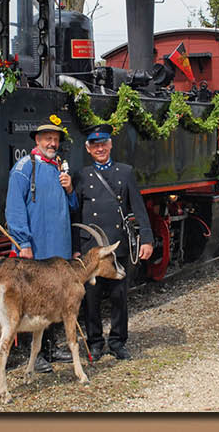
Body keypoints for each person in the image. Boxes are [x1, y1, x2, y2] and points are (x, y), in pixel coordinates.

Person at [5, 116, 78, 373]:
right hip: (35, 248)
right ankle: (33, 355)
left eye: (56, 139)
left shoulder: (59, 168)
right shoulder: (24, 168)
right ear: (37, 140)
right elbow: (14, 209)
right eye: (47, 138)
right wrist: (23, 243)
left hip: (59, 249)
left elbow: (73, 208)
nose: (52, 143)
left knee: (55, 299)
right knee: (33, 302)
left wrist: (70, 191)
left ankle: (51, 348)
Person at [74, 124, 154, 361]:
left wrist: (147, 240)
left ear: (110, 145)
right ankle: (95, 342)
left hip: (117, 245)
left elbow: (139, 208)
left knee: (119, 296)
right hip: (91, 250)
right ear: (88, 149)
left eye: (103, 144)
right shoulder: (81, 176)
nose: (100, 149)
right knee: (91, 298)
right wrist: (76, 247)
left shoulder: (125, 172)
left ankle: (118, 341)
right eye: (95, 145)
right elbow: (75, 215)